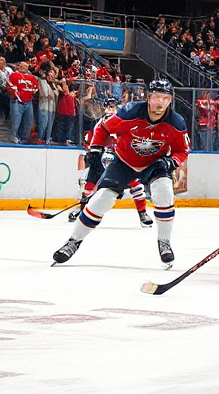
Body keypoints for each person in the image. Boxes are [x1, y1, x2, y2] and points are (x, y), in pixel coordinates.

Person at [53, 79, 188, 268]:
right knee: (102, 199)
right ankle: (73, 241)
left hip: (153, 164)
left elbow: (182, 150)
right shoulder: (130, 112)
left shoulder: (176, 122)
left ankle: (164, 241)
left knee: (164, 192)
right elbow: (103, 127)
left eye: (165, 98)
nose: (160, 103)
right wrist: (95, 149)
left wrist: (171, 161)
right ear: (149, 98)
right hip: (124, 162)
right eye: (157, 97)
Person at [68, 96, 153, 228]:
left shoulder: (127, 123)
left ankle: (143, 214)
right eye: (107, 107)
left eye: (112, 107)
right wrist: (97, 161)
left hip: (122, 161)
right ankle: (82, 209)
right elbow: (95, 145)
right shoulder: (100, 124)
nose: (109, 110)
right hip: (102, 161)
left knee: (136, 185)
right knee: (90, 184)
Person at [6, 61, 39, 144]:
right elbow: (9, 85)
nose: (22, 67)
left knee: (29, 122)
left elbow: (36, 87)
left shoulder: (32, 77)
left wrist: (30, 92)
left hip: (28, 101)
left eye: (24, 66)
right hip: (16, 101)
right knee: (16, 121)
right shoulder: (13, 75)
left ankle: (25, 139)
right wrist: (16, 94)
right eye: (21, 66)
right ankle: (13, 137)